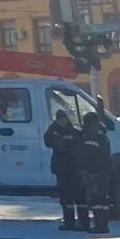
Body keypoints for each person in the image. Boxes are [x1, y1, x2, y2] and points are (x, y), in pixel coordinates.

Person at [46, 98, 88, 231]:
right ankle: (69, 223)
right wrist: (54, 128)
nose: (62, 121)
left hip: (75, 170)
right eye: (59, 120)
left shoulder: (74, 132)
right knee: (65, 198)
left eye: (63, 119)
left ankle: (83, 223)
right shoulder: (54, 132)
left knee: (79, 197)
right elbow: (47, 141)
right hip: (62, 170)